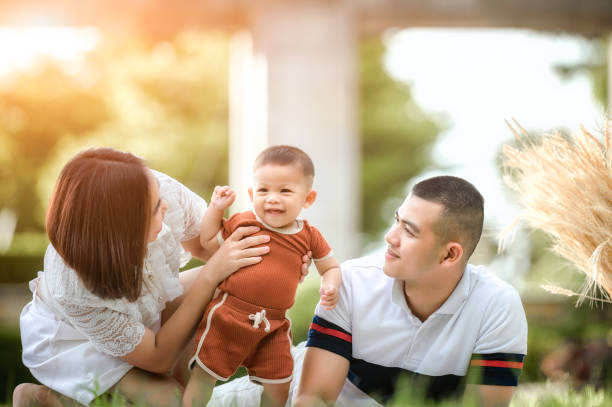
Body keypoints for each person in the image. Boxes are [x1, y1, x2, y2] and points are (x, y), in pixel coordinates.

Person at [13, 148, 310, 407]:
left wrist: (282, 263)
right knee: (167, 401)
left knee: (230, 282)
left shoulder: (153, 188)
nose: (165, 207)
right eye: (155, 209)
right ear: (121, 230)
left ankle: (183, 392)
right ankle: (44, 400)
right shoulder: (75, 287)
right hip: (75, 341)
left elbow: (217, 251)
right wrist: (209, 278)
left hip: (143, 307)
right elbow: (158, 357)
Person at [209, 175, 528, 407]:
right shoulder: (351, 282)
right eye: (397, 221)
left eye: (409, 231)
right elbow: (313, 399)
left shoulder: (496, 306)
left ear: (450, 255)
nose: (391, 237)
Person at [183, 145, 341, 407]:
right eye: (263, 190)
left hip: (275, 325)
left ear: (308, 198)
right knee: (204, 375)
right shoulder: (245, 222)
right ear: (251, 193)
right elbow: (210, 241)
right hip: (229, 314)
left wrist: (330, 287)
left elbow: (331, 267)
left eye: (285, 190)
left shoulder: (309, 236)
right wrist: (216, 208)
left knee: (280, 384)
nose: (272, 198)